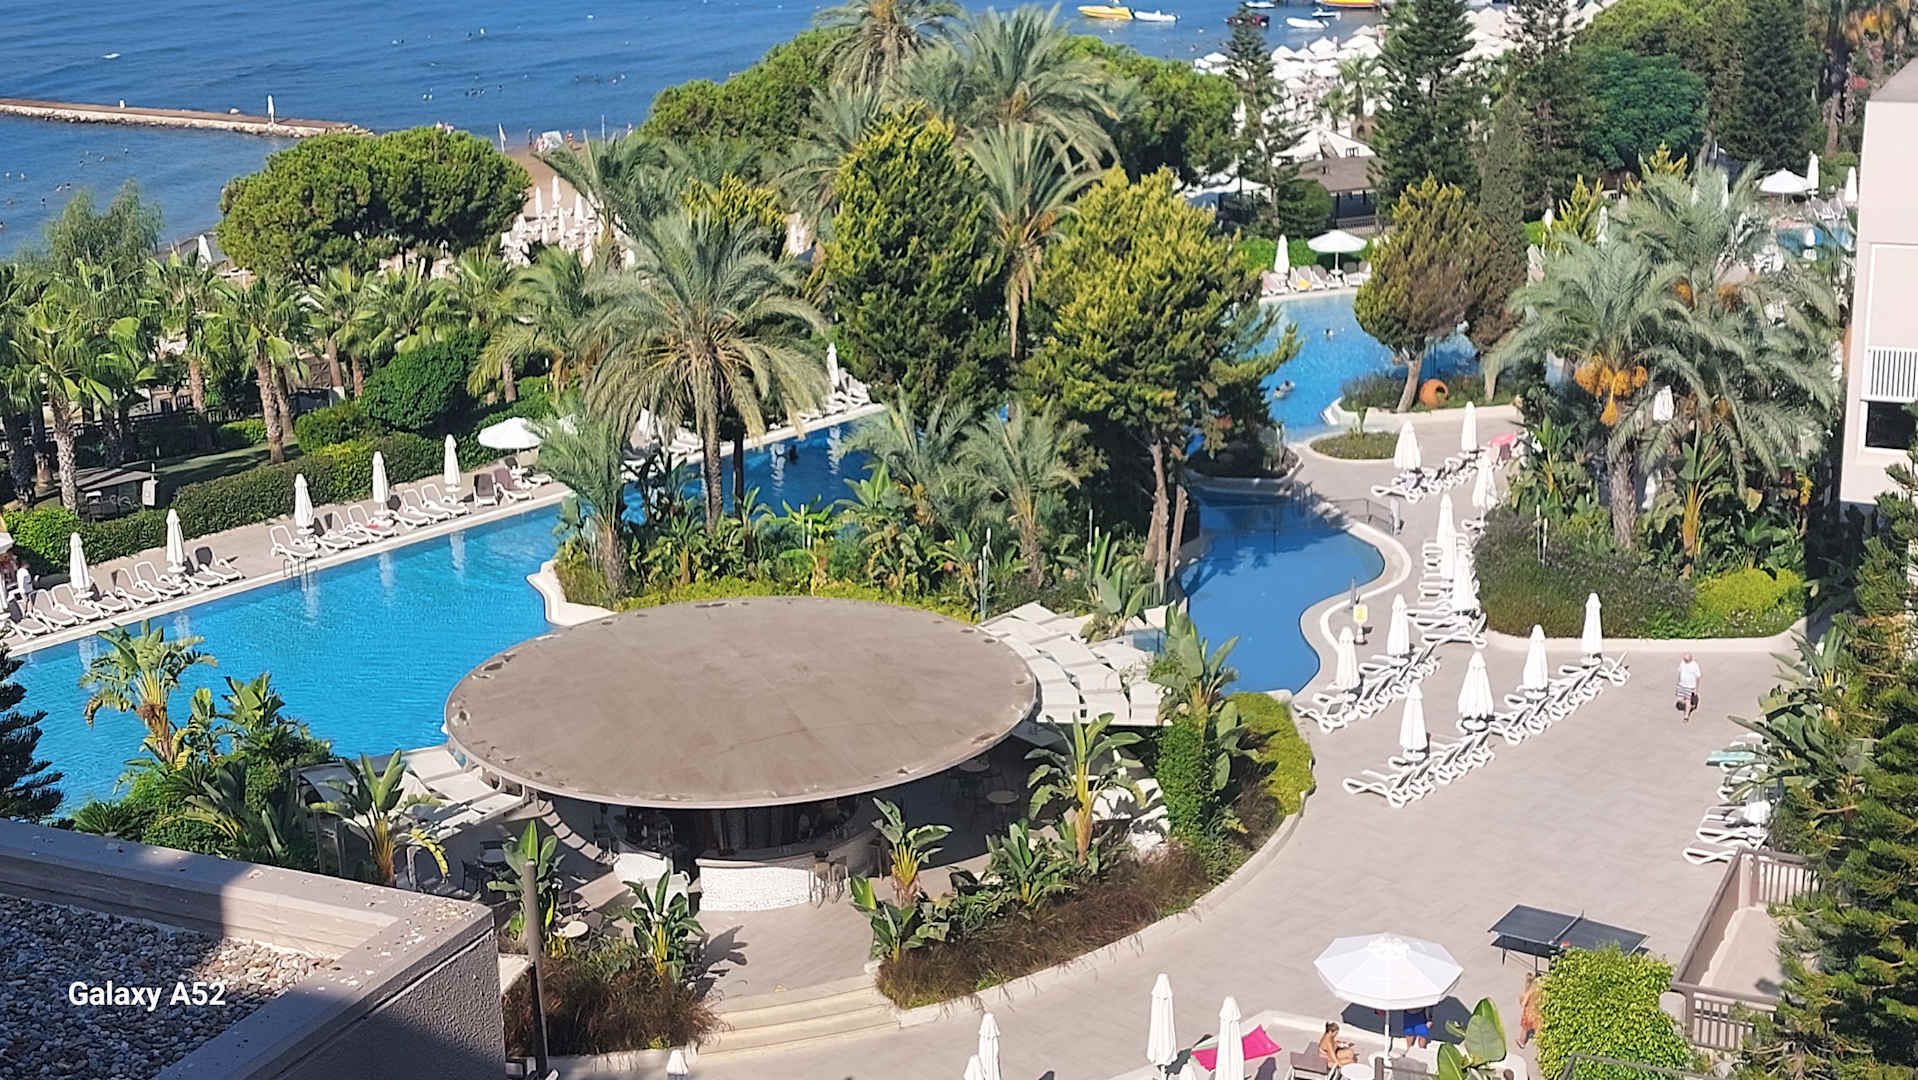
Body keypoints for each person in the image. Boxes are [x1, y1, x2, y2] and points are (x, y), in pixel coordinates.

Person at [1516, 971, 1543, 1048]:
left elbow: (1523, 1003)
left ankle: (1522, 1042)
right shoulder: (1540, 991)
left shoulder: (1530, 991)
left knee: (1525, 1029)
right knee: (1538, 1028)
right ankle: (1541, 1043)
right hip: (1537, 1012)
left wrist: (1521, 1000)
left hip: (1528, 1013)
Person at [1676, 652, 1702, 722]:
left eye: (1687, 660)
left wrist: (1696, 689)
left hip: (1690, 686)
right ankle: (1690, 704)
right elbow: (1680, 672)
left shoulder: (1695, 665)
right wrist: (1678, 682)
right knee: (1680, 700)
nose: (1685, 661)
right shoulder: (1682, 663)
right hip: (1681, 685)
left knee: (1687, 701)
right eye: (1685, 660)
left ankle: (1686, 716)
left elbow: (1698, 677)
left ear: (1690, 659)